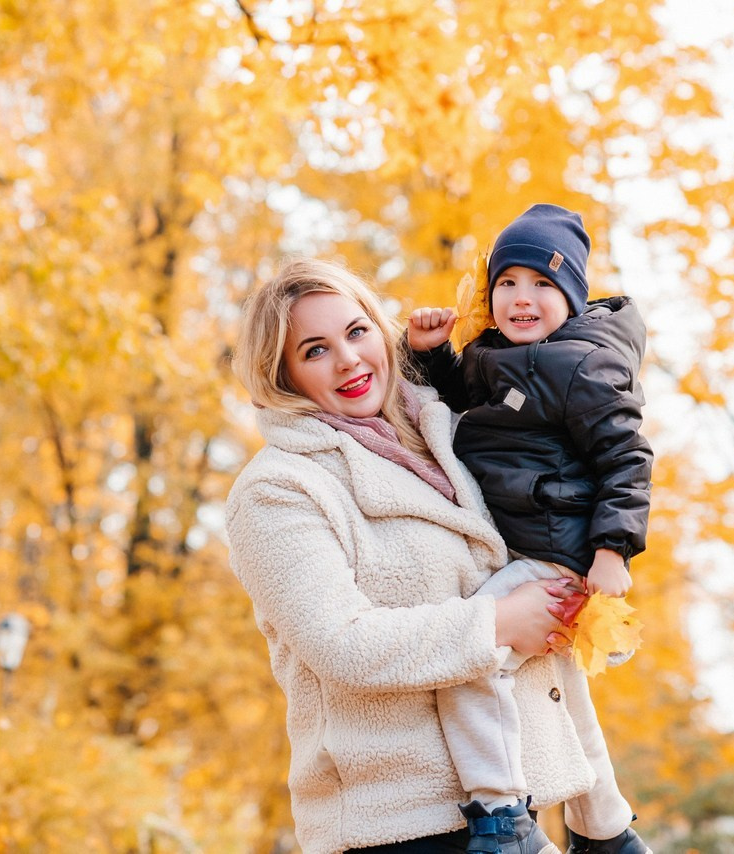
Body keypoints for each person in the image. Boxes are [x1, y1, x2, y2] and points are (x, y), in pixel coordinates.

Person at [226, 257, 612, 854]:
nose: (349, 359)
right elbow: (341, 643)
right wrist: (500, 622)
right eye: (315, 350)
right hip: (397, 823)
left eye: (357, 332)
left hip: (512, 808)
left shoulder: (446, 435)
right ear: (284, 377)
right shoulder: (278, 487)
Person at [407, 204, 654, 854]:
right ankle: (607, 834)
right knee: (554, 687)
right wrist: (432, 356)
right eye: (507, 282)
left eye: (543, 284)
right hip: (521, 540)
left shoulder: (581, 366)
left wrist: (612, 549)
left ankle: (501, 814)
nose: (522, 297)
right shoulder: (495, 354)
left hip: (556, 550)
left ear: (571, 297)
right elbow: (463, 399)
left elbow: (627, 458)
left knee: (470, 655)